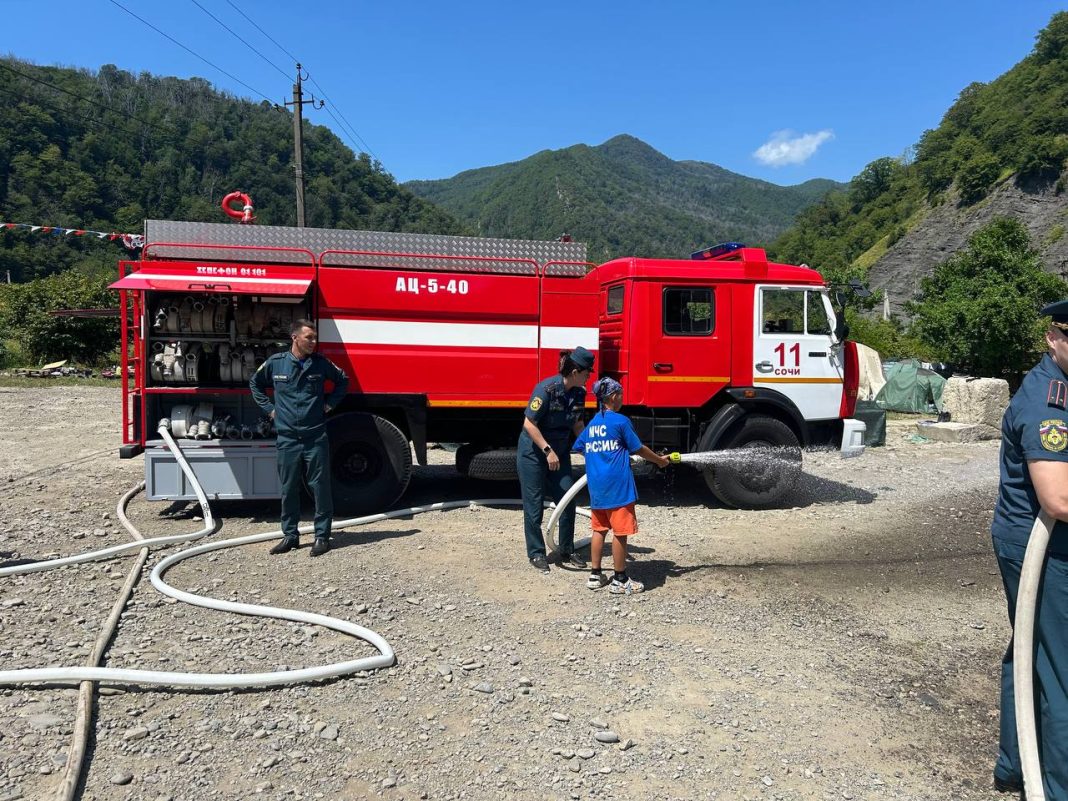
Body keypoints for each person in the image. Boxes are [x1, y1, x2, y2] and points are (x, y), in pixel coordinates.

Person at [991, 299, 1068, 799]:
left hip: (1041, 543)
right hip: (1044, 548)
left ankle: (1015, 764)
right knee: (1062, 669)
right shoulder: (1048, 400)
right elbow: (1058, 498)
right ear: (1054, 337)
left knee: (1031, 651)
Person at [250, 319, 349, 558]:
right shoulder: (276, 364)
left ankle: (322, 537)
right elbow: (255, 383)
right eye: (309, 338)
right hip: (288, 438)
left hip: (315, 435)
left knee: (320, 487)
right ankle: (290, 536)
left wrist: (329, 405)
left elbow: (342, 381)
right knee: (289, 487)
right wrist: (270, 410)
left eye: (315, 338)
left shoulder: (321, 364)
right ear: (295, 337)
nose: (314, 342)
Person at [572, 377, 669, 594]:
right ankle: (620, 579)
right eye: (621, 395)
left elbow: (580, 447)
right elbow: (638, 448)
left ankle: (595, 576)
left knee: (599, 530)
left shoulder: (593, 424)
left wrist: (600, 455)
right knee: (620, 532)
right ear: (614, 397)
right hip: (618, 487)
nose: (622, 398)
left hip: (597, 488)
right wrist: (659, 461)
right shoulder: (621, 422)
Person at [519, 346, 594, 572]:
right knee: (534, 504)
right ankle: (536, 553)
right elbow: (529, 424)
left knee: (567, 499)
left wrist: (590, 447)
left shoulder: (579, 393)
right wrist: (547, 450)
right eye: (587, 372)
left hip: (558, 453)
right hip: (535, 453)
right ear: (575, 372)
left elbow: (577, 424)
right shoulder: (546, 390)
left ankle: (567, 549)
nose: (589, 376)